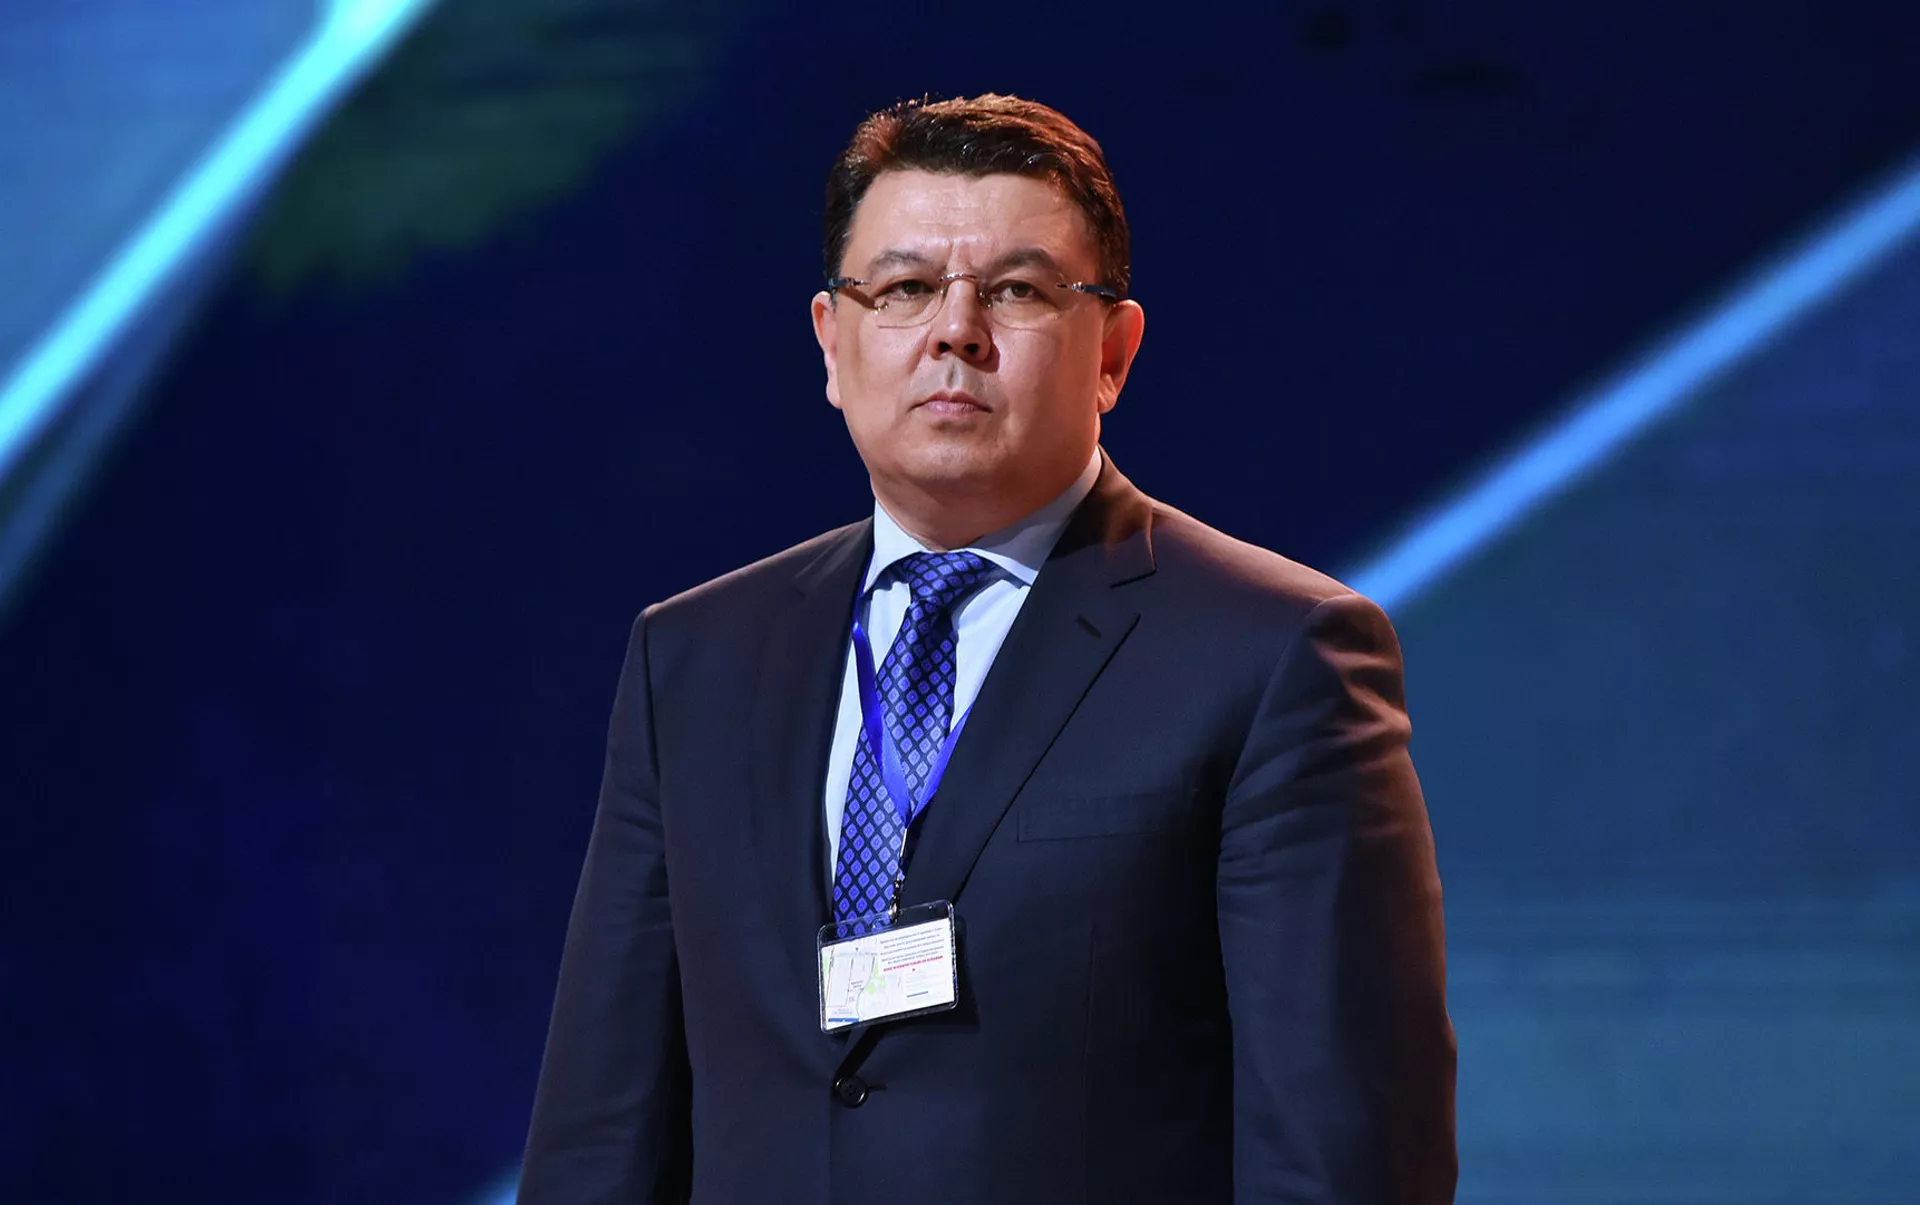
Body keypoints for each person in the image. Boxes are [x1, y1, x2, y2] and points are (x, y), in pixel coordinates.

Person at [518, 93, 1455, 1205]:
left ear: (1112, 353)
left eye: (1015, 290)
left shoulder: (1274, 654)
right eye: (905, 289)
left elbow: (1345, 1153)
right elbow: (601, 1131)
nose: (955, 331)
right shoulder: (693, 659)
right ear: (832, 341)